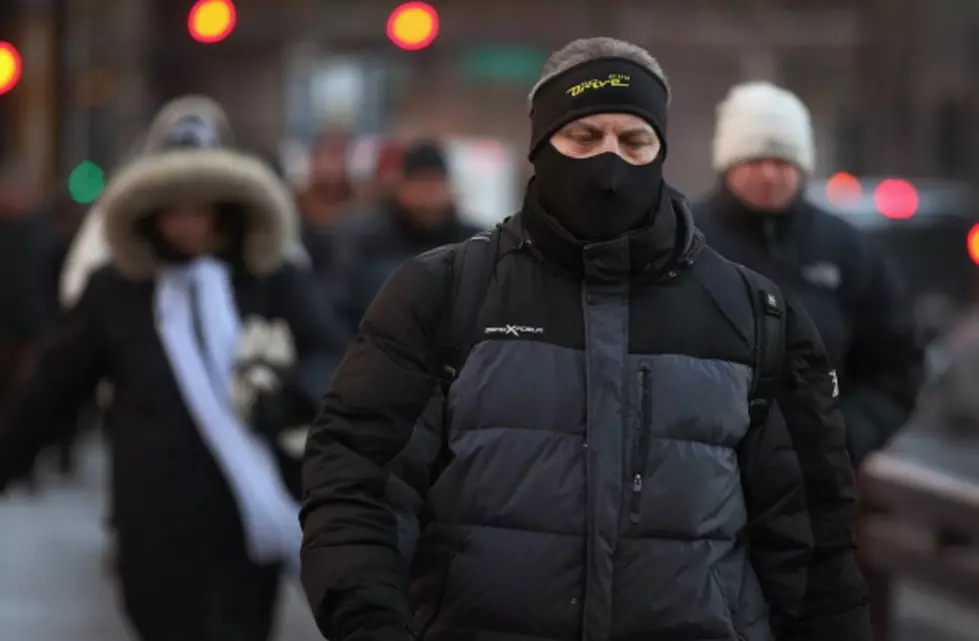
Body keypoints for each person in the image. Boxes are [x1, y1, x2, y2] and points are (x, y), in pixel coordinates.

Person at [301, 37, 870, 641]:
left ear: (661, 151)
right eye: (583, 137)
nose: (610, 162)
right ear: (542, 147)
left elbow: (813, 546)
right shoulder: (441, 293)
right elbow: (355, 485)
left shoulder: (755, 316)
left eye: (634, 141)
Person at [0, 95, 340, 641]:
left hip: (243, 518)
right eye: (173, 208)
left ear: (226, 208)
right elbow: (52, 389)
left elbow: (330, 353)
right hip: (154, 515)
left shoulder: (272, 277)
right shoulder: (116, 290)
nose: (187, 223)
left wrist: (289, 397)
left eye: (200, 207)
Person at [693, 81, 924, 467]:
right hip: (701, 478)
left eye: (783, 161)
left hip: (814, 487)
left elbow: (897, 365)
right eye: (753, 159)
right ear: (727, 164)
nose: (768, 174)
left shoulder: (848, 251)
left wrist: (844, 437)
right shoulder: (686, 241)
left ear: (803, 167)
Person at [329, 139, 481, 339]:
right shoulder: (366, 238)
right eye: (420, 184)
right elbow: (341, 306)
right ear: (401, 186)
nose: (428, 197)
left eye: (434, 185)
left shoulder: (473, 243)